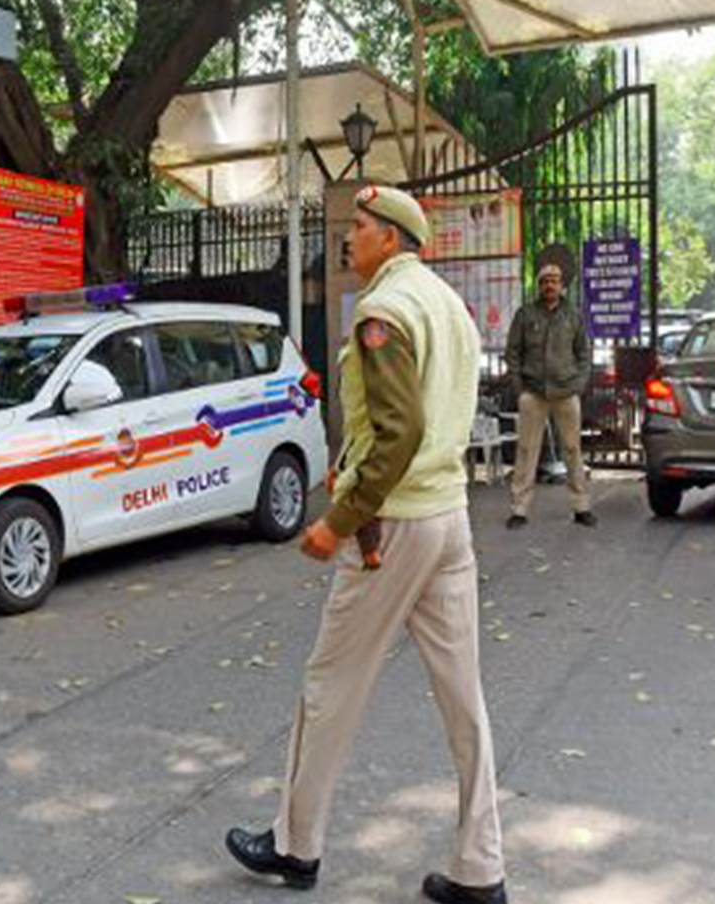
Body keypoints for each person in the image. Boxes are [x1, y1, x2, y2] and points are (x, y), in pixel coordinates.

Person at [225, 185, 509, 904]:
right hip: (449, 518)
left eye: (358, 225)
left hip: (393, 524)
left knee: (329, 686)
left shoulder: (384, 311)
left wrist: (341, 518)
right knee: (465, 701)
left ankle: (296, 845)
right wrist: (354, 474)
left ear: (390, 238)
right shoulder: (447, 305)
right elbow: (421, 419)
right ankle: (481, 869)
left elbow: (399, 432)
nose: (348, 236)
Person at [502, 262, 594, 529]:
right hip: (533, 391)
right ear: (539, 286)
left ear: (562, 285)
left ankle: (581, 507)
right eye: (544, 281)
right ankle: (519, 509)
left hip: (566, 391)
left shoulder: (573, 315)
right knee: (526, 450)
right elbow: (512, 352)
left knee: (572, 449)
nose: (549, 285)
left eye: (554, 281)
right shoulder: (525, 315)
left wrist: (579, 384)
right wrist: (519, 387)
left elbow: (584, 353)